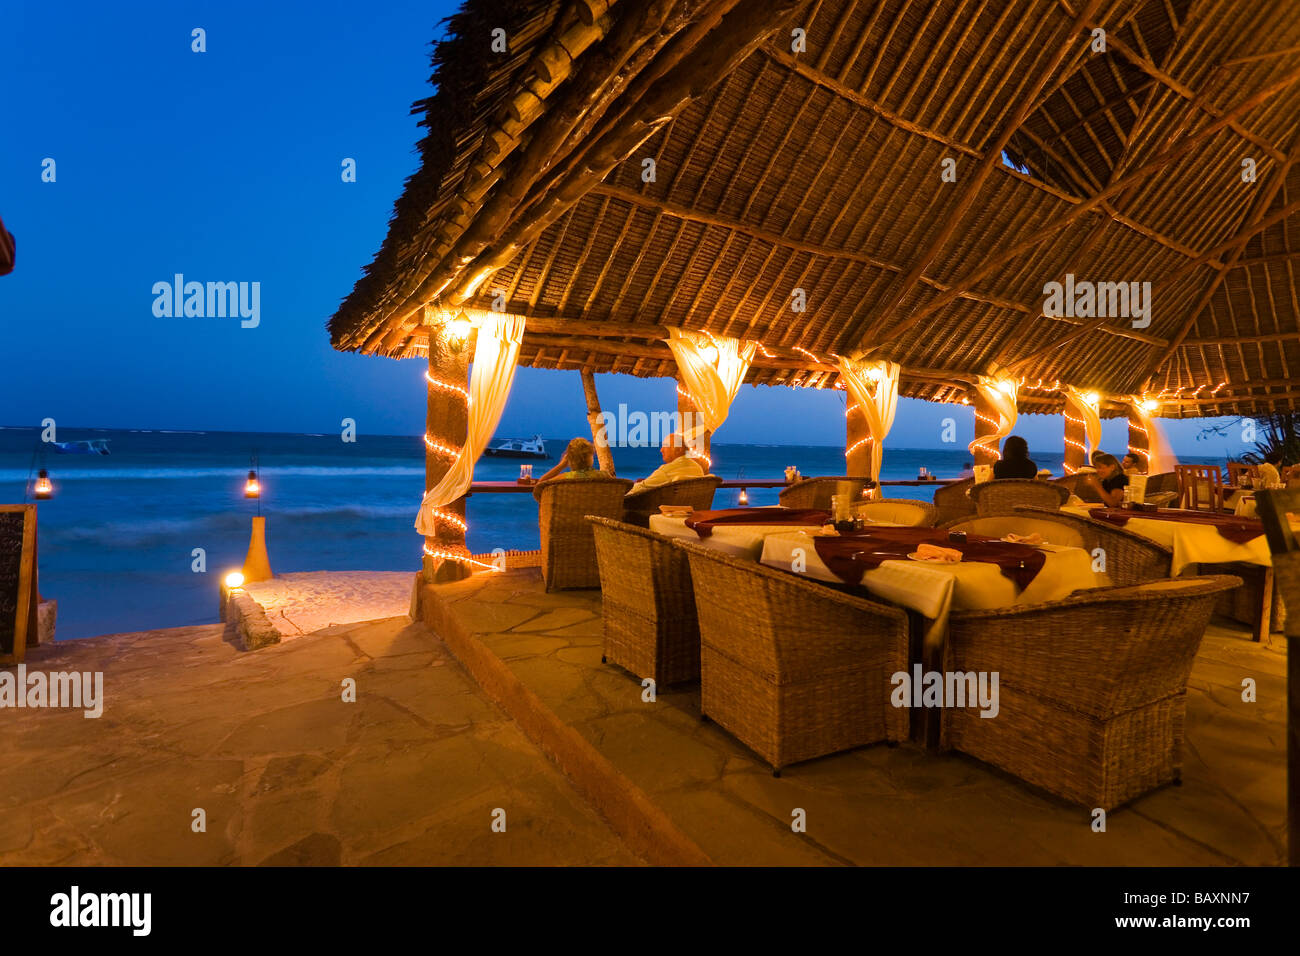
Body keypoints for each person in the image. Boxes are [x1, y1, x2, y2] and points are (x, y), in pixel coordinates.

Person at [628, 431, 705, 495]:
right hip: (692, 510)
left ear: (678, 449)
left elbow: (639, 489)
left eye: (665, 446)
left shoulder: (667, 470)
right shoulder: (698, 468)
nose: (661, 450)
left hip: (665, 511)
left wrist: (628, 488)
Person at [536, 437, 604, 484]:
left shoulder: (564, 478)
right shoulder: (603, 476)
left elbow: (540, 484)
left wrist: (561, 465)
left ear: (568, 459)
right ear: (591, 457)